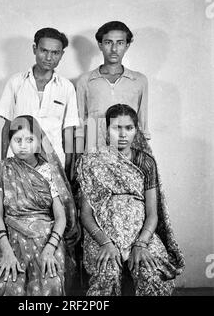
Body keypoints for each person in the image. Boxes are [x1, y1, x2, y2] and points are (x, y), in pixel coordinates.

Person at [76, 104, 185, 296]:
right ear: (106, 129)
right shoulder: (92, 161)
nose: (123, 134)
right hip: (103, 235)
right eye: (117, 128)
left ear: (136, 131)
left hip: (141, 234)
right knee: (106, 275)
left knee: (150, 274)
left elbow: (152, 214)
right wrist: (105, 243)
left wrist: (141, 244)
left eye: (129, 128)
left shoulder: (145, 162)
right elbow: (85, 214)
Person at [0, 115, 80, 296]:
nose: (23, 145)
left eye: (29, 139)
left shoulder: (49, 171)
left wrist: (50, 248)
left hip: (46, 240)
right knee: (8, 285)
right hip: (10, 240)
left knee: (50, 284)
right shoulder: (1, 169)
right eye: (17, 140)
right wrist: (7, 253)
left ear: (38, 141)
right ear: (10, 141)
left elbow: (60, 217)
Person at [0, 27, 79, 179]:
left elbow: (68, 132)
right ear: (35, 49)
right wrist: (4, 164)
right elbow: (7, 126)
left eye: (55, 53)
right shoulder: (16, 83)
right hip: (18, 162)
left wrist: (66, 171)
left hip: (52, 164)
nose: (48, 57)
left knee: (53, 203)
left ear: (61, 55)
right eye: (44, 50)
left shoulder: (66, 87)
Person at [75, 21, 150, 156]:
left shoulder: (139, 81)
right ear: (100, 45)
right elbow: (79, 124)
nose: (114, 49)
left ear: (127, 45)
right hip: (94, 154)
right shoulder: (85, 81)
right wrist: (78, 159)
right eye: (108, 42)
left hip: (128, 155)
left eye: (120, 43)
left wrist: (143, 159)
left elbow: (142, 124)